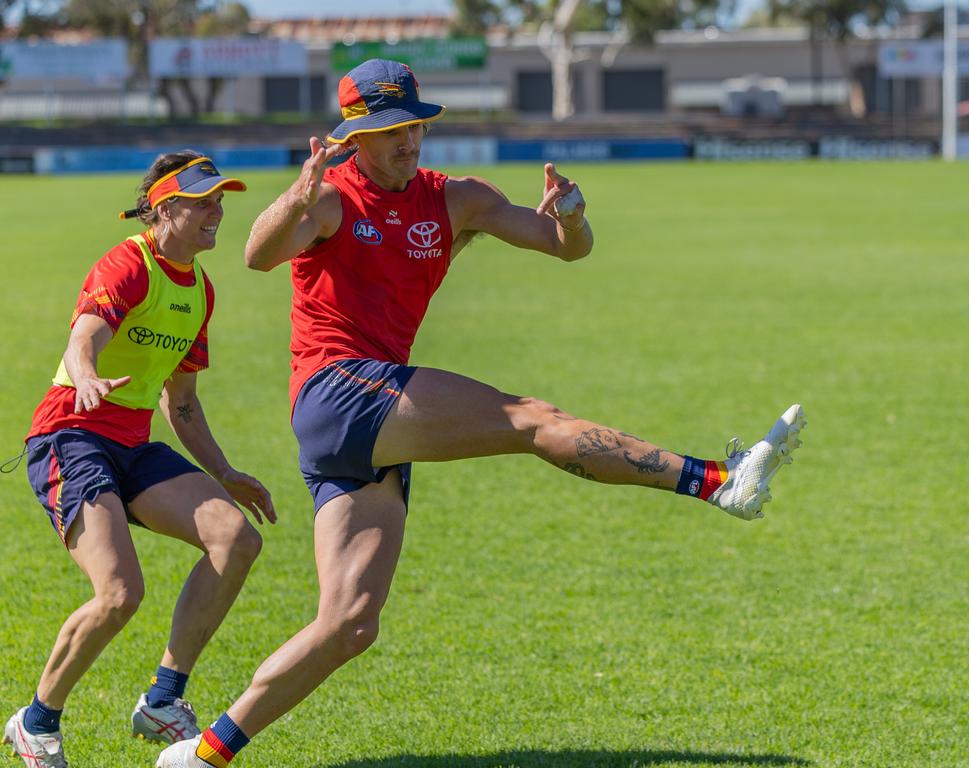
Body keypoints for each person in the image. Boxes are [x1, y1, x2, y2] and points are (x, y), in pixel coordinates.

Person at [157, 60, 805, 768]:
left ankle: (202, 754)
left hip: (371, 418)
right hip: (337, 391)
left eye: (415, 125)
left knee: (349, 624)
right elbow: (257, 255)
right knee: (530, 419)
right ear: (355, 139)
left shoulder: (457, 198)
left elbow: (564, 248)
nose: (409, 141)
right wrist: (295, 195)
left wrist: (574, 216)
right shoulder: (331, 199)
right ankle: (716, 479)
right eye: (390, 131)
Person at [4, 152, 276, 768]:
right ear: (165, 209)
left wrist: (226, 473)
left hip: (131, 443)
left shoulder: (200, 290)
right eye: (205, 201)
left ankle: (163, 699)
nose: (219, 211)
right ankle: (36, 721)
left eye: (221, 199)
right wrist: (89, 377)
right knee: (120, 594)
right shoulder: (130, 261)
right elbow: (82, 338)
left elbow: (181, 406)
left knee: (235, 539)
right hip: (70, 436)